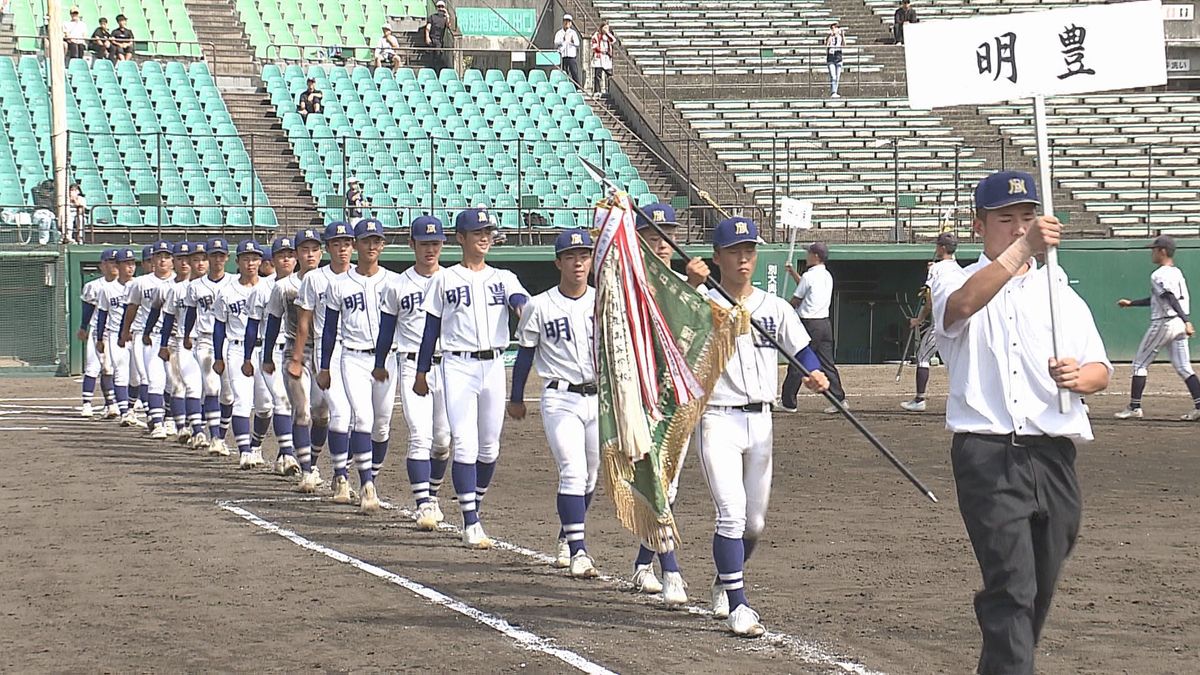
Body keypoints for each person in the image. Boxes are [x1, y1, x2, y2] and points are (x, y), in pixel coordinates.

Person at [930, 170, 1111, 675]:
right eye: (1005, 219)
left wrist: (1082, 377)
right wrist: (1020, 252)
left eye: (1027, 219)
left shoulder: (1059, 290)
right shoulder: (951, 276)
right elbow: (961, 308)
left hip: (1053, 454)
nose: (1017, 228)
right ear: (978, 225)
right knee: (1012, 584)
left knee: (1039, 584)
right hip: (987, 453)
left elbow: (1100, 369)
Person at [699, 216, 828, 637]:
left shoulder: (774, 307)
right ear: (717, 257)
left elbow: (802, 349)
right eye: (734, 251)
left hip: (762, 420)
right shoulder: (702, 301)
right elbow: (669, 320)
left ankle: (725, 578)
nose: (743, 258)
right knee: (732, 515)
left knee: (755, 524)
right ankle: (738, 605)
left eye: (749, 250)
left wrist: (814, 373)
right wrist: (692, 283)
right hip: (718, 417)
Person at [414, 207, 529, 549]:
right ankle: (471, 520)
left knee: (490, 447)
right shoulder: (444, 279)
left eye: (488, 232)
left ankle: (473, 504)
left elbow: (520, 300)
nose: (485, 238)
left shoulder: (503, 277)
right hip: (457, 365)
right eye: (478, 233)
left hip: (494, 364)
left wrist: (523, 309)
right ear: (460, 239)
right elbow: (430, 328)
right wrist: (421, 371)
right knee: (463, 442)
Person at [628, 202, 708, 605]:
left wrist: (694, 287)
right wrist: (692, 289)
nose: (662, 244)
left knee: (668, 487)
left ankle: (644, 562)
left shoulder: (686, 281)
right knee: (657, 481)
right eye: (653, 236)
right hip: (641, 395)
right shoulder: (629, 283)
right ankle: (671, 570)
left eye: (668, 236)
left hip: (676, 397)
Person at [509, 229, 601, 579]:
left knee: (591, 474)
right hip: (560, 397)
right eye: (570, 256)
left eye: (584, 255)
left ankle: (567, 533)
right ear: (558, 262)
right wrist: (516, 397)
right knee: (573, 470)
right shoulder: (540, 304)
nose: (578, 262)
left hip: (598, 397)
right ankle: (578, 550)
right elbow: (524, 354)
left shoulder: (602, 301)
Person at [372, 215, 452, 530]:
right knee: (420, 435)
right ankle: (422, 504)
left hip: (448, 365)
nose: (430, 249)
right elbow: (386, 329)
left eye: (435, 243)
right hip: (410, 364)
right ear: (412, 245)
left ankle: (431, 495)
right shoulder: (397, 284)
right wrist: (379, 364)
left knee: (443, 440)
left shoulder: (453, 280)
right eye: (424, 243)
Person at [318, 219, 399, 514]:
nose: (372, 246)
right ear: (357, 245)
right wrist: (325, 366)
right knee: (362, 419)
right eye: (366, 241)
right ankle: (366, 485)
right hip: (352, 357)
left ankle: (370, 476)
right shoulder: (339, 284)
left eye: (377, 241)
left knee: (382, 424)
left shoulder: (393, 281)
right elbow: (329, 329)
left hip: (387, 359)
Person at [292, 221, 355, 500]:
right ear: (329, 248)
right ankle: (316, 466)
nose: (342, 248)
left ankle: (341, 473)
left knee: (352, 415)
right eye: (337, 243)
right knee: (321, 412)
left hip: (357, 350)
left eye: (347, 243)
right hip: (325, 349)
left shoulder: (360, 277)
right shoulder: (314, 279)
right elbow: (304, 323)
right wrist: (297, 357)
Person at [1114, 235, 1200, 421]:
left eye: (1154, 249)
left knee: (1139, 364)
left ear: (1162, 251)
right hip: (1177, 322)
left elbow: (1169, 297)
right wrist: (1131, 303)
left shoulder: (1158, 274)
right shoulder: (1176, 272)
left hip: (1165, 322)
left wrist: (1186, 321)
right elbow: (1160, 299)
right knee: (1184, 367)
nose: (1151, 252)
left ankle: (1134, 407)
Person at [265, 228, 325, 491]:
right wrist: (267, 356)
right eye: (304, 250)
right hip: (294, 351)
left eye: (314, 249)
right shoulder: (283, 286)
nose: (310, 254)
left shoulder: (331, 280)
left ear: (321, 252)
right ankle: (307, 470)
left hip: (325, 352)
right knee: (301, 411)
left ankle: (313, 459)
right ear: (298, 254)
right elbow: (272, 322)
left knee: (322, 413)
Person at [212, 240, 273, 470]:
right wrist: (218, 356)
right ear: (237, 261)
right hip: (237, 348)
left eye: (255, 258)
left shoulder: (270, 288)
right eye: (246, 258)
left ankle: (256, 446)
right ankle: (244, 451)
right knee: (241, 401)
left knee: (265, 404)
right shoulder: (226, 291)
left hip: (264, 348)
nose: (251, 262)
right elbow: (219, 327)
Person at [245, 236, 299, 475]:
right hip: (271, 351)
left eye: (290, 254)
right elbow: (252, 325)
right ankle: (287, 454)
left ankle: (273, 449)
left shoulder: (307, 283)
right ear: (273, 260)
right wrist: (248, 357)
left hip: (297, 352)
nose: (286, 259)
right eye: (281, 255)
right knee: (277, 402)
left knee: (293, 406)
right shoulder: (263, 288)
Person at [781, 242, 847, 412]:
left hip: (809, 324)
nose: (807, 255)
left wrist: (783, 310)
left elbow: (797, 299)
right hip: (824, 323)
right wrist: (793, 273)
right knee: (827, 363)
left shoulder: (809, 276)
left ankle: (788, 402)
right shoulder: (826, 275)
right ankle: (839, 399)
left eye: (809, 253)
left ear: (816, 256)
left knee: (798, 360)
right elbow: (806, 289)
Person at [184, 237, 235, 456]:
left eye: (220, 255)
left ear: (227, 257)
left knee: (229, 395)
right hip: (204, 339)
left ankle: (221, 434)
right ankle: (214, 436)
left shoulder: (234, 282)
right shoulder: (195, 286)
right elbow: (189, 313)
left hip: (229, 341)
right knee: (211, 386)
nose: (217, 259)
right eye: (213, 255)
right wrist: (187, 334)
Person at [119, 240, 175, 436]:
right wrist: (125, 331)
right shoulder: (140, 283)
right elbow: (132, 307)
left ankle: (168, 418)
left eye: (166, 256)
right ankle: (157, 419)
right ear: (152, 259)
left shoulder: (179, 283)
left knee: (172, 380)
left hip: (173, 338)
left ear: (172, 261)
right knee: (151, 378)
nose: (162, 260)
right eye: (159, 256)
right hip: (147, 336)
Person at [901, 231, 960, 412]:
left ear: (942, 248)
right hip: (961, 323)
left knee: (923, 357)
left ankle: (919, 399)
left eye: (937, 246)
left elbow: (929, 298)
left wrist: (919, 319)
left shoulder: (936, 269)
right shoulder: (959, 270)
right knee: (957, 361)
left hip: (941, 324)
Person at [94, 248, 138, 424]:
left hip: (136, 334)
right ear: (118, 265)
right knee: (120, 372)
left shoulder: (140, 285)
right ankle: (124, 412)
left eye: (132, 263)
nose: (130, 267)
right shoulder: (107, 289)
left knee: (136, 377)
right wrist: (99, 339)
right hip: (114, 334)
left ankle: (132, 408)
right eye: (126, 263)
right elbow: (102, 315)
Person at [78, 249, 119, 418]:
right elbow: (88, 309)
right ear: (102, 265)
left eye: (117, 262)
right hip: (97, 330)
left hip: (116, 331)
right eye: (110, 262)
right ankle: (87, 404)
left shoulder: (128, 285)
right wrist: (83, 327)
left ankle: (110, 404)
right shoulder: (94, 286)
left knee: (110, 369)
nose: (114, 265)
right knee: (93, 367)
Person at [590, 20, 616, 97]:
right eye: (604, 27)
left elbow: (613, 40)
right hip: (599, 56)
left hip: (606, 57)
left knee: (609, 74)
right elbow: (594, 46)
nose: (606, 29)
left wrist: (607, 33)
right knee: (598, 75)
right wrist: (601, 50)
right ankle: (597, 90)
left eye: (607, 28)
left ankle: (609, 90)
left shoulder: (608, 36)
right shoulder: (596, 35)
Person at [555, 14, 582, 87]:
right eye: (565, 21)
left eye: (569, 22)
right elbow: (556, 42)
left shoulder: (573, 33)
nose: (567, 23)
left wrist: (572, 41)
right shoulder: (559, 33)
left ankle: (577, 87)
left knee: (574, 71)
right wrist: (562, 40)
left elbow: (577, 43)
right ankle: (564, 86)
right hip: (562, 55)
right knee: (563, 71)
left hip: (571, 55)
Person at [424, 0, 450, 70]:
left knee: (438, 57)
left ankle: (437, 72)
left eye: (442, 7)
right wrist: (427, 37)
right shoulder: (432, 17)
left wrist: (447, 15)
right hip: (432, 39)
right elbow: (428, 28)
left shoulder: (445, 18)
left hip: (439, 40)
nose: (440, 8)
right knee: (431, 57)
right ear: (436, 8)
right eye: (439, 7)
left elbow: (448, 25)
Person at [825, 23, 844, 99]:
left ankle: (835, 91)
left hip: (838, 57)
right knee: (833, 76)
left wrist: (843, 35)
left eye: (835, 28)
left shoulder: (840, 37)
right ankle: (833, 92)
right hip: (831, 57)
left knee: (837, 76)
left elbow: (844, 44)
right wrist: (831, 36)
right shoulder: (829, 37)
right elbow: (827, 45)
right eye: (833, 28)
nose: (834, 30)